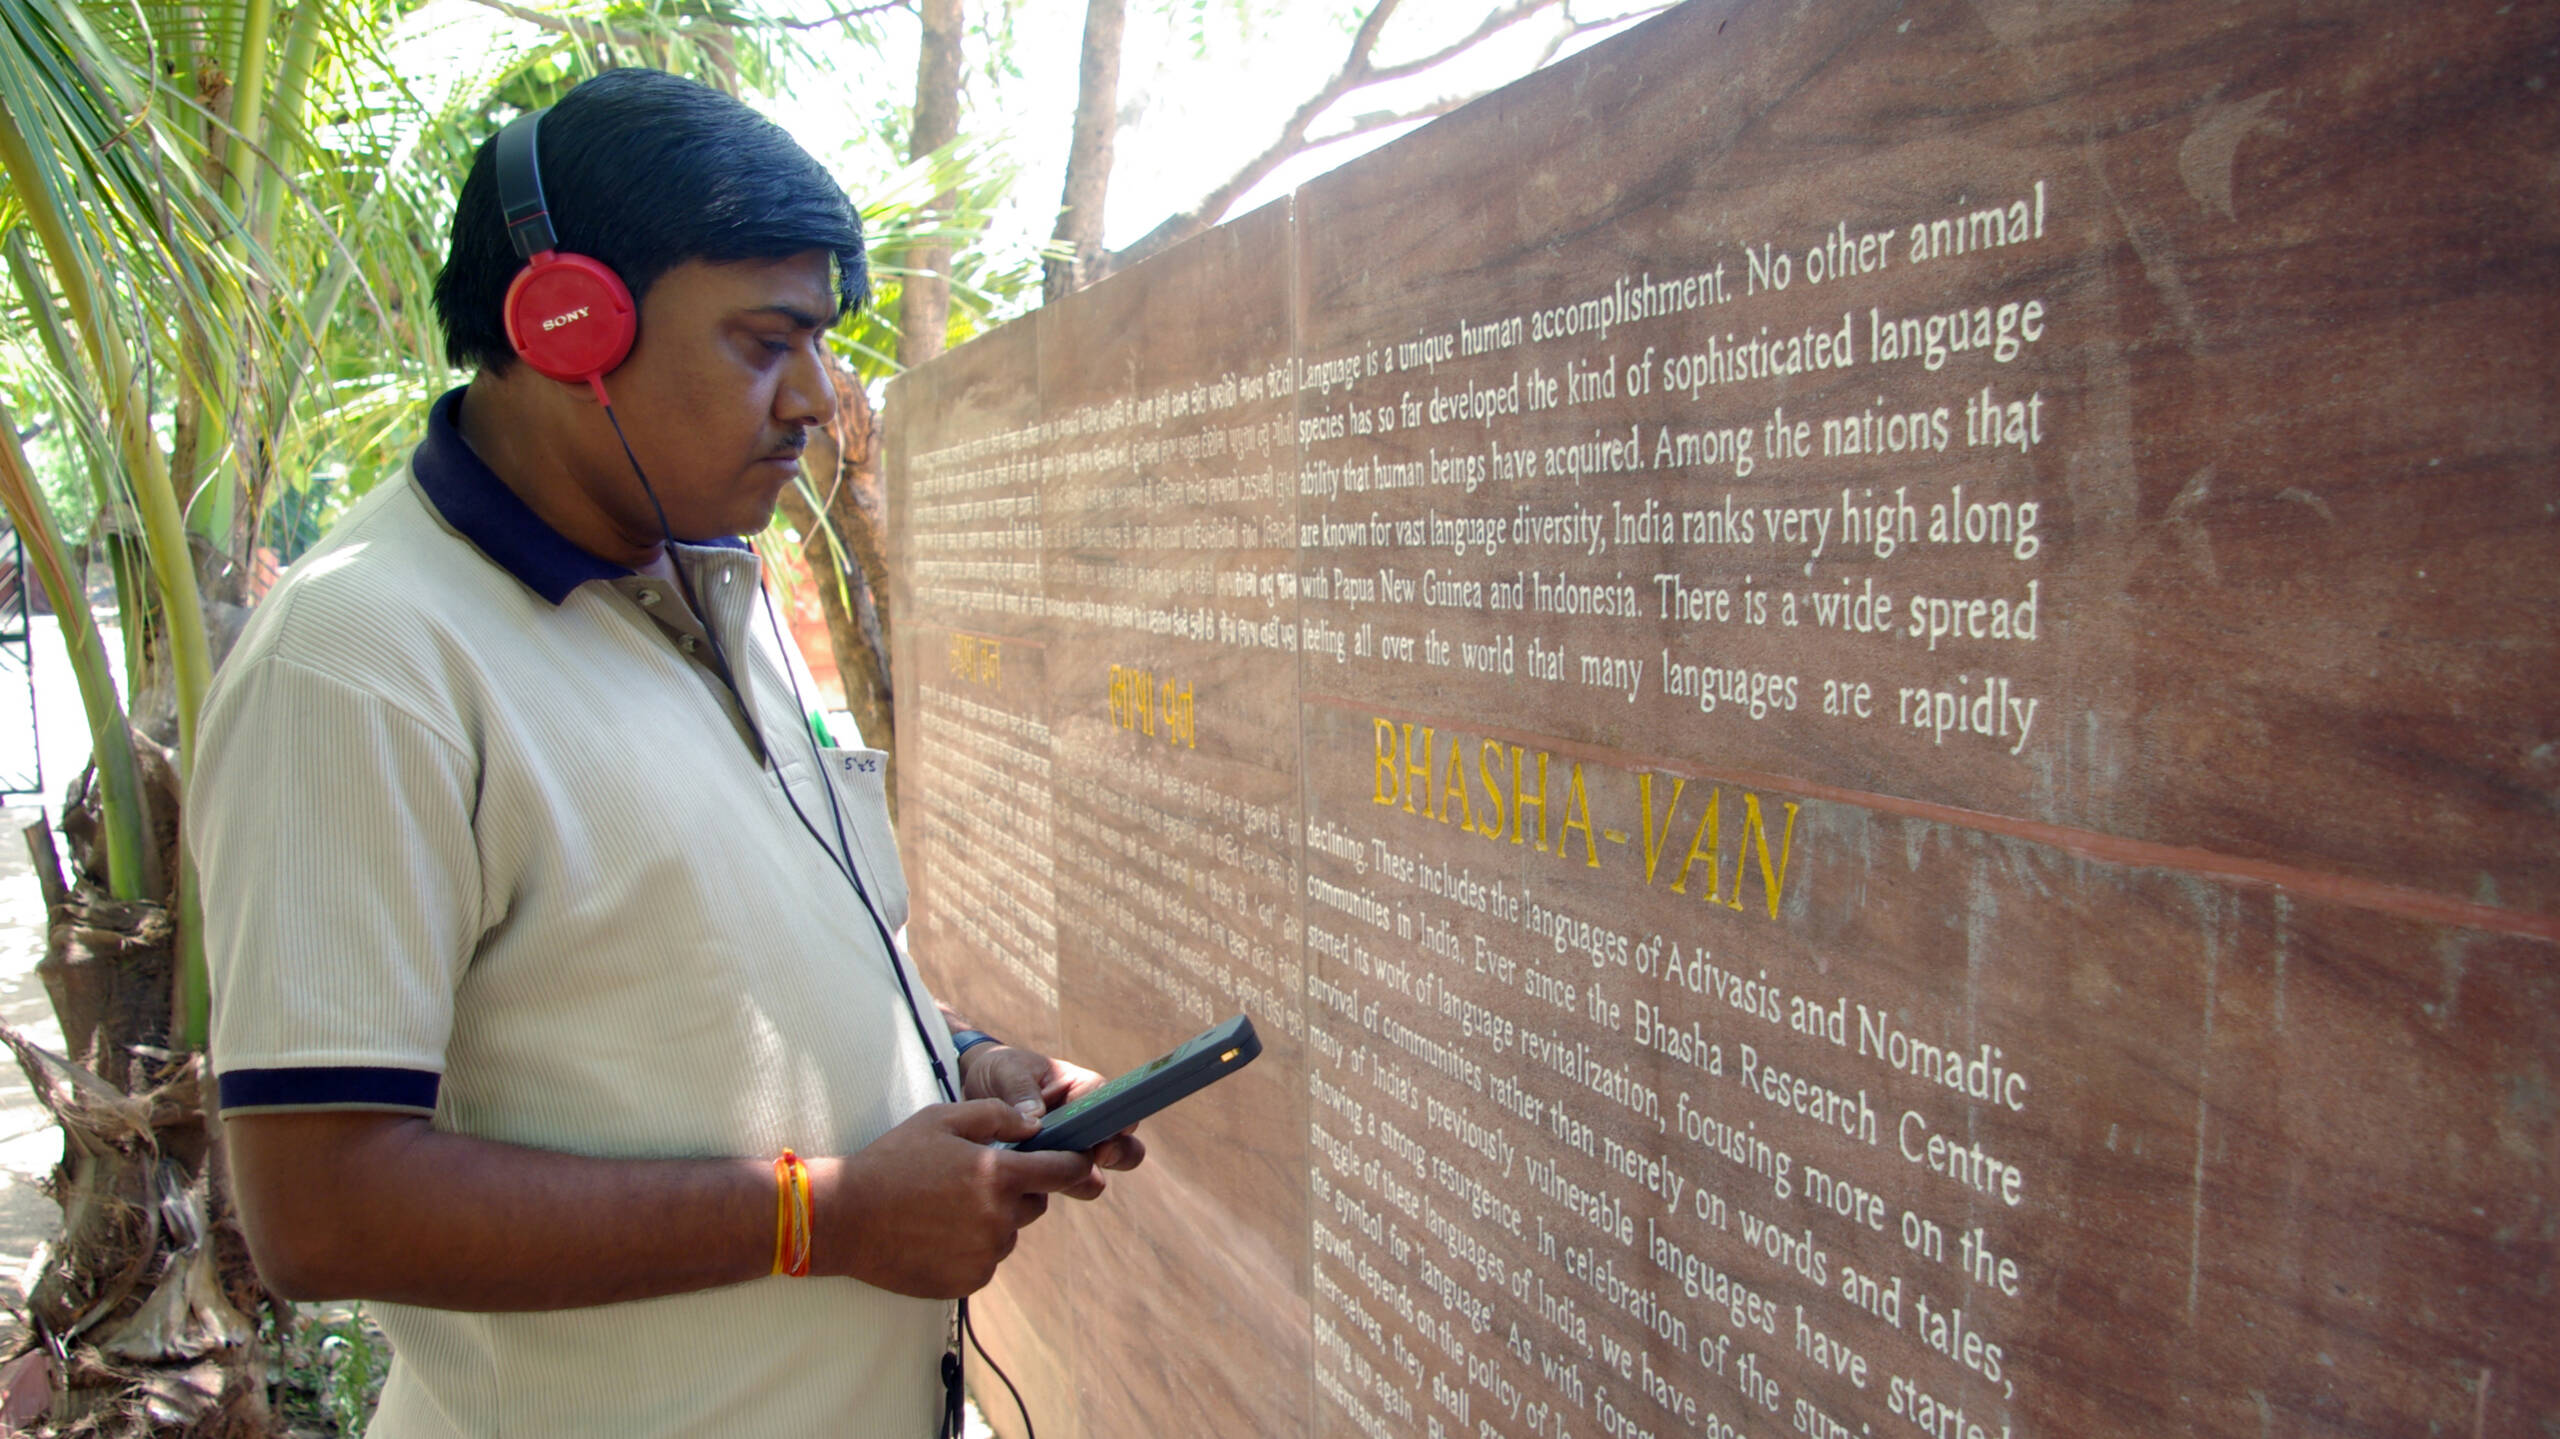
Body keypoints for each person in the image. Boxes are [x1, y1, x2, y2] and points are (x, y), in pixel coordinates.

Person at [187, 69, 1136, 1437]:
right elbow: (321, 1208)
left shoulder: (715, 589)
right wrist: (826, 1219)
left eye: (823, 341)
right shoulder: (361, 663)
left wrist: (965, 1064)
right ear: (568, 328)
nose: (820, 396)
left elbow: (711, 967)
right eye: (767, 341)